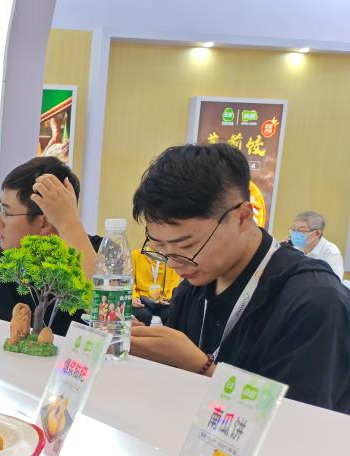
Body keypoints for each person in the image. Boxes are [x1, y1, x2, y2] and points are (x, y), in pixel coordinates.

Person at [130, 143, 350, 413]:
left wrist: (202, 368)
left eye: (186, 246)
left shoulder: (315, 301)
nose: (173, 262)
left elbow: (300, 422)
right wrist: (146, 347)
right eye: (159, 246)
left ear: (243, 217)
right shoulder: (193, 287)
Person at [0, 156, 100, 331]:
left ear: (44, 223)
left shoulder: (102, 255)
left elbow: (108, 309)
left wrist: (69, 223)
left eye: (7, 212)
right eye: (1, 209)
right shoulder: (2, 258)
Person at [131, 248, 181, 325]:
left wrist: (168, 298)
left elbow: (174, 283)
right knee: (142, 314)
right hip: (142, 299)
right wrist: (134, 297)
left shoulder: (171, 257)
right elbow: (130, 280)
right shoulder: (136, 255)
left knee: (172, 313)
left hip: (163, 300)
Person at [290, 211, 344, 278]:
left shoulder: (331, 253)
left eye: (301, 231)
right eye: (294, 229)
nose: (295, 234)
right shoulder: (295, 248)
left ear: (317, 233)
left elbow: (335, 282)